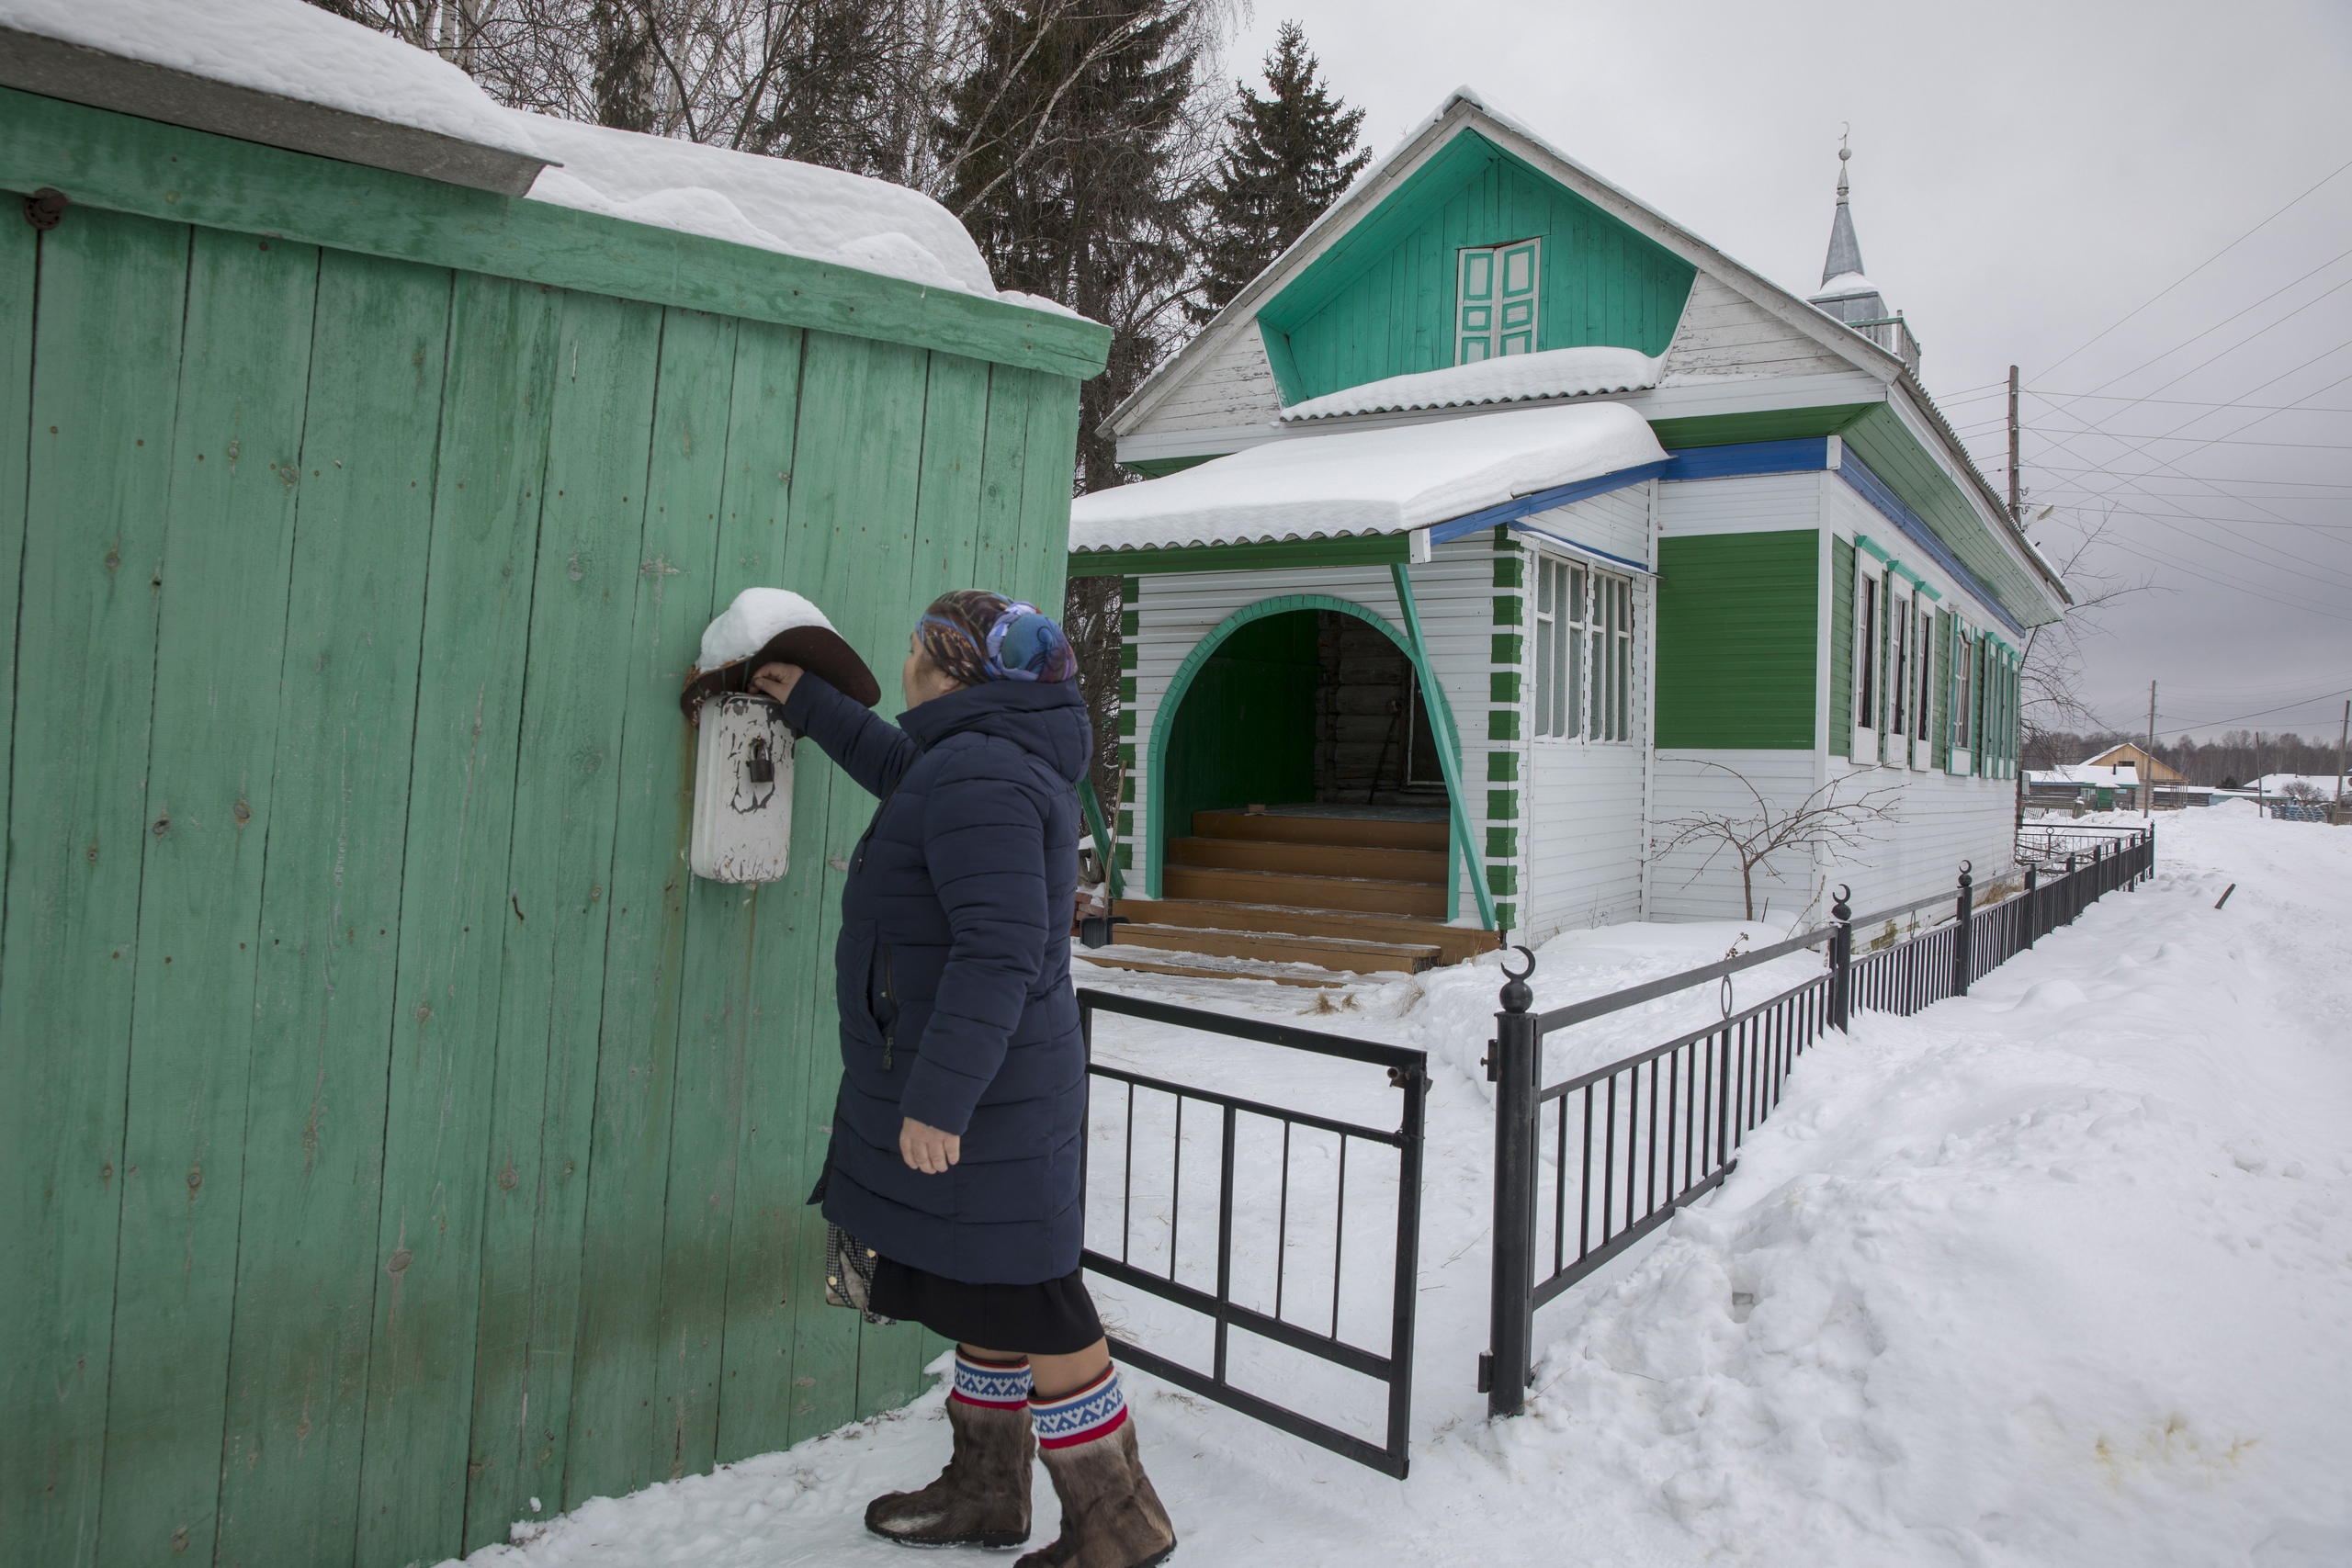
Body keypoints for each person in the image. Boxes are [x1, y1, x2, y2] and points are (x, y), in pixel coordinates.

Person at [752, 590, 1176, 1568]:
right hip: (993, 1086)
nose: (903, 661)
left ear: (947, 669)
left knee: (1032, 1297)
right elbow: (908, 776)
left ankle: (1119, 1523)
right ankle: (988, 1491)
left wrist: (937, 1099)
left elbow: (997, 952)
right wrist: (811, 704)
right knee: (987, 1288)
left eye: (913, 648)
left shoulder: (982, 773)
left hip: (981, 1097)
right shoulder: (975, 759)